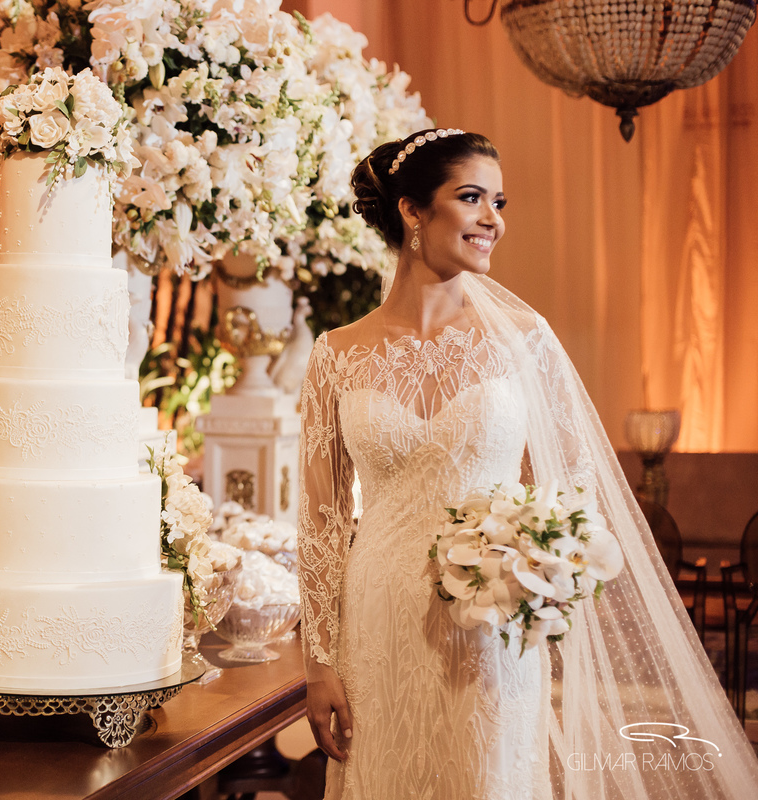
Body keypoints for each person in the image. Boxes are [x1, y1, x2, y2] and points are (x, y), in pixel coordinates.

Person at [297, 128, 758, 799]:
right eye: (473, 197)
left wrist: (534, 569)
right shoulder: (336, 354)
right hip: (378, 625)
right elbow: (321, 522)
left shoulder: (522, 341)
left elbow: (574, 493)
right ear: (412, 210)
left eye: (499, 202)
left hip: (490, 626)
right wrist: (319, 664)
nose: (494, 220)